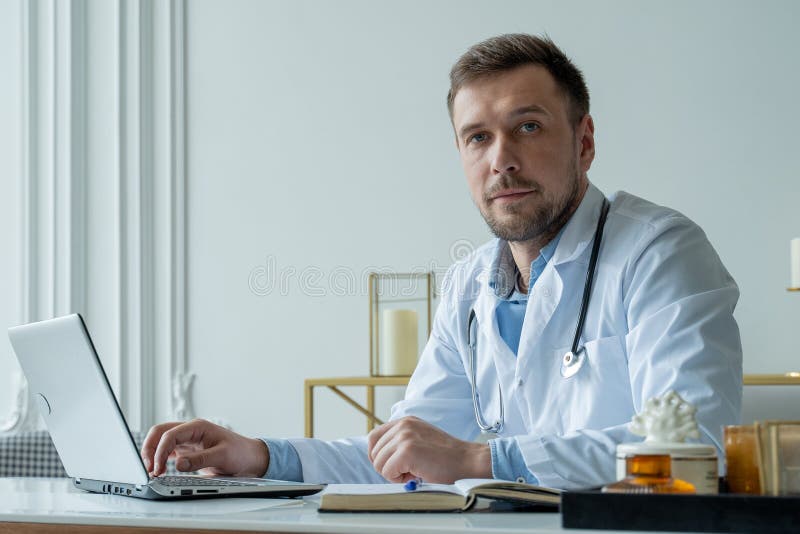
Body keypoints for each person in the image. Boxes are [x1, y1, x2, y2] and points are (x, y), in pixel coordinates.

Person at [141, 34, 742, 489]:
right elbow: (404, 452)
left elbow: (697, 444)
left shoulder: (660, 252)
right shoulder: (470, 285)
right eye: (477, 137)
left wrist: (480, 460)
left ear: (585, 142)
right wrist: (262, 457)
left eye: (527, 126)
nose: (501, 159)